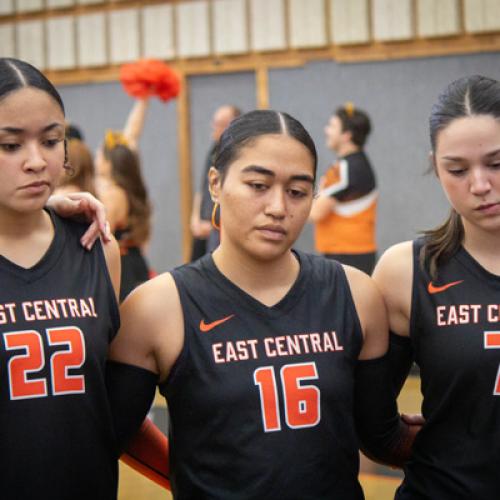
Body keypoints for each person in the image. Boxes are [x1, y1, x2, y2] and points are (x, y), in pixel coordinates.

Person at [107, 110, 418, 499]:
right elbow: (105, 440)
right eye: (258, 185)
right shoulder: (157, 307)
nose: (277, 207)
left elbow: (382, 437)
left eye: (297, 192)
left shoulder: (356, 294)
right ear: (216, 184)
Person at [373, 75, 500, 499]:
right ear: (435, 165)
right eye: (458, 169)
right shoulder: (405, 271)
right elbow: (370, 421)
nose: (480, 185)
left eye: (496, 163)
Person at [0, 57, 121, 499]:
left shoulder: (95, 244)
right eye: (10, 145)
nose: (36, 161)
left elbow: (110, 399)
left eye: (51, 140)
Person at [95, 98, 152, 301]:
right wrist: (143, 99)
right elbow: (131, 136)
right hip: (133, 261)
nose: (96, 159)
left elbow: (99, 232)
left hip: (121, 266)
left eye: (99, 155)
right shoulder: (127, 186)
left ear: (108, 163)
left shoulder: (113, 193)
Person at [309, 103, 377, 274]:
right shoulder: (351, 164)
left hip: (348, 255)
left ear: (346, 135)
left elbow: (315, 213)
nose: (326, 130)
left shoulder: (348, 168)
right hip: (346, 254)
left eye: (332, 126)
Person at [190, 104, 241, 260]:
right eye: (215, 123)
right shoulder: (214, 149)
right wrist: (195, 218)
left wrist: (213, 223)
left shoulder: (238, 153)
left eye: (220, 124)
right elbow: (203, 187)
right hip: (206, 226)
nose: (214, 127)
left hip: (220, 227)